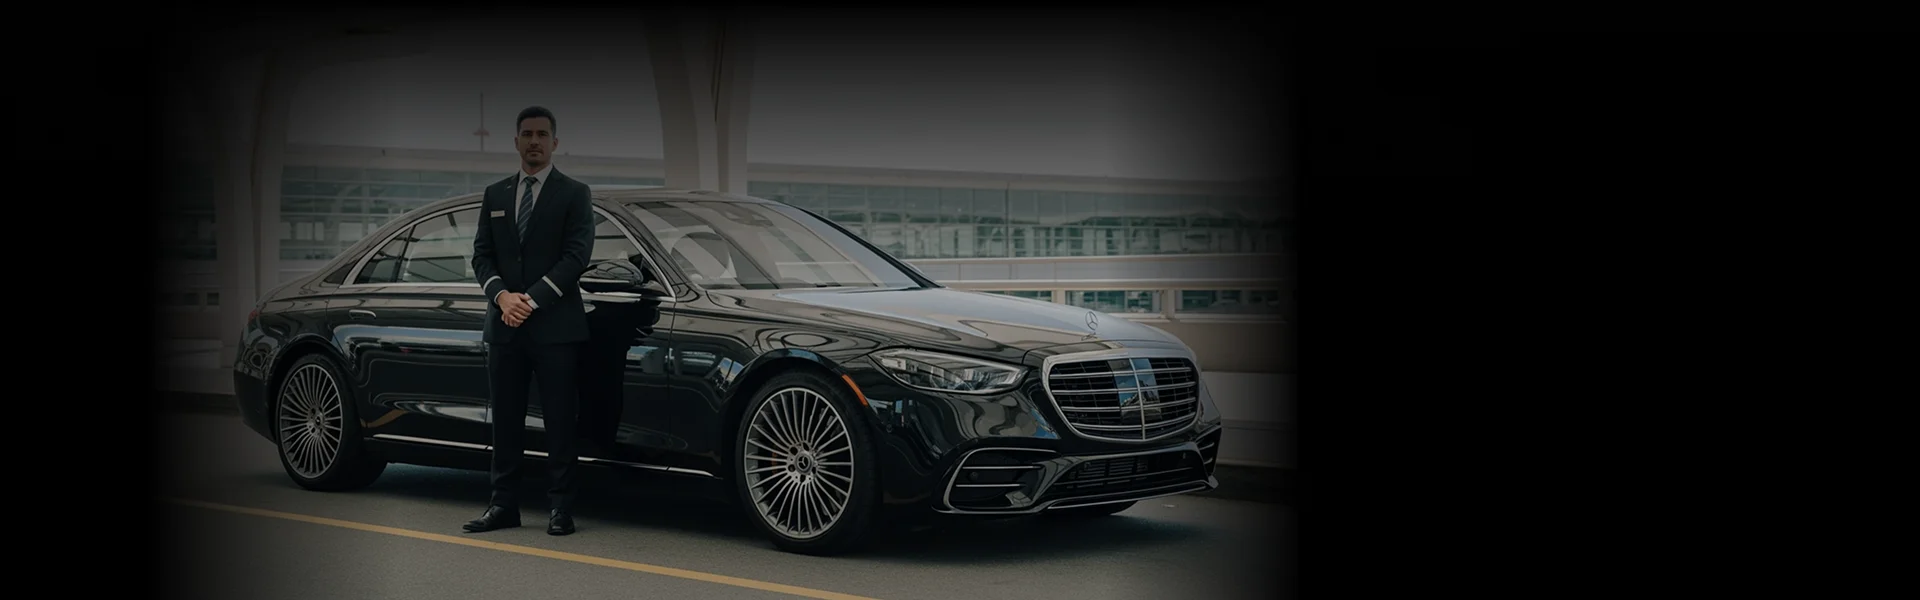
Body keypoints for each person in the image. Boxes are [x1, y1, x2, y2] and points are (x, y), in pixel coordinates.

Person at [463, 106, 595, 536]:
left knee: (559, 420)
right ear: (516, 142)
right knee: (505, 420)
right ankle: (502, 506)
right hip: (504, 326)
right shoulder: (495, 194)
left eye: (542, 134)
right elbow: (481, 255)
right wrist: (502, 297)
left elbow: (576, 257)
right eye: (526, 134)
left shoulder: (575, 193)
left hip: (556, 328)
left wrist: (530, 301)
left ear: (555, 143)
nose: (534, 141)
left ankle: (560, 509)